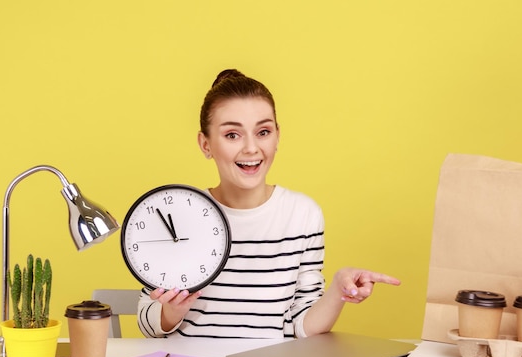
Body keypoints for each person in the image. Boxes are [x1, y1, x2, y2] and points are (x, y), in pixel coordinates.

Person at [137, 69, 401, 339]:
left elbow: (302, 325)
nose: (251, 148)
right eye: (232, 135)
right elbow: (146, 323)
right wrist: (171, 312)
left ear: (277, 136)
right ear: (206, 144)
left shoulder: (303, 215)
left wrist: (337, 290)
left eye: (263, 132)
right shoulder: (177, 214)